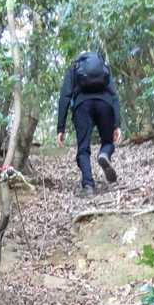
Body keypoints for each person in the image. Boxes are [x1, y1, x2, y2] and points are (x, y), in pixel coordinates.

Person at [56, 51, 123, 197]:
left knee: (83, 149)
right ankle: (104, 154)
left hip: (82, 106)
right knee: (108, 142)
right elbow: (114, 95)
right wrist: (117, 124)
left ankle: (88, 186)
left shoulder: (75, 67)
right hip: (105, 104)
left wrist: (60, 128)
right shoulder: (103, 67)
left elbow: (65, 96)